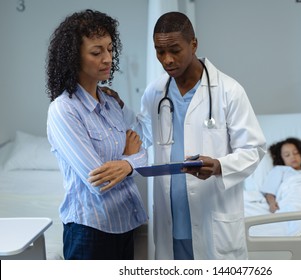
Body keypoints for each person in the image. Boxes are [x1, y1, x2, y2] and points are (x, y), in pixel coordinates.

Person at [106, 11, 266, 260]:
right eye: (160, 51)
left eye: (175, 50)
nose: (167, 59)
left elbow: (254, 150)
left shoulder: (229, 91)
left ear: (194, 44)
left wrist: (218, 166)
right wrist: (120, 108)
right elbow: (145, 136)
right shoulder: (155, 92)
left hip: (212, 216)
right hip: (172, 218)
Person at [45, 9, 148, 260]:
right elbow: (98, 179)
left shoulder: (112, 104)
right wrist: (129, 161)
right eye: (96, 52)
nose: (107, 58)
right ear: (74, 57)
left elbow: (146, 149)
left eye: (110, 49)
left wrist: (127, 162)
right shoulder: (64, 109)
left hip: (126, 224)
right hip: (89, 231)